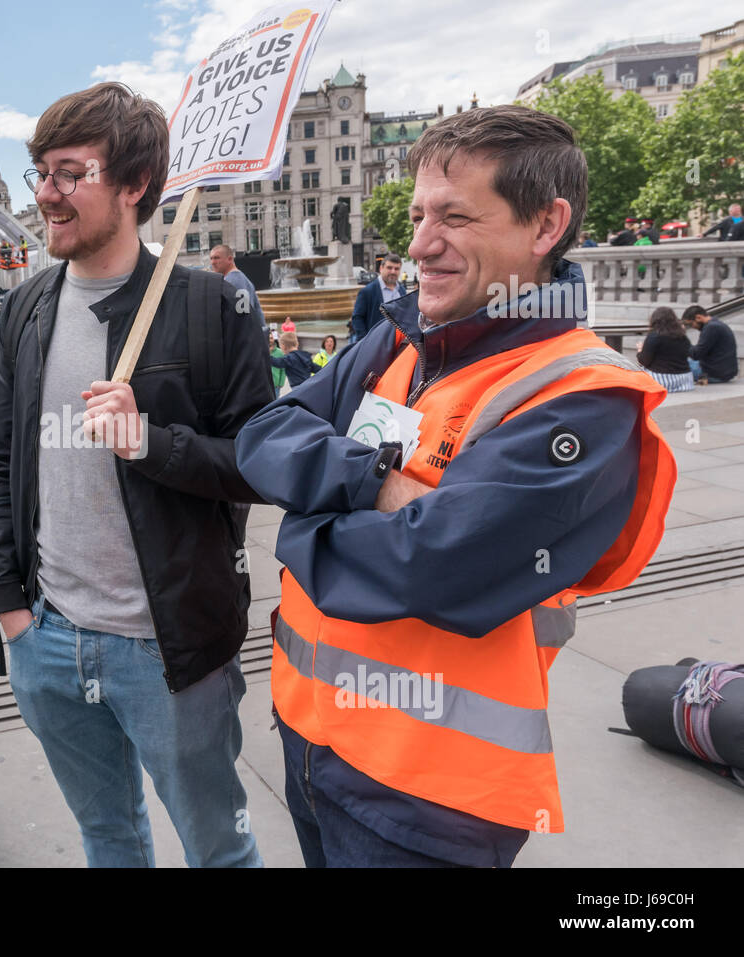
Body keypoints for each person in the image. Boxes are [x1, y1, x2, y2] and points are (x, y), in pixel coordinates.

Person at [236, 104, 675, 868]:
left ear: (545, 227)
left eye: (455, 216)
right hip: (309, 739)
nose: (418, 245)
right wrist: (374, 481)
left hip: (429, 802)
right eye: (416, 215)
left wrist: (299, 521)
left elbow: (434, 563)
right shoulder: (399, 337)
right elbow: (262, 437)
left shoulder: (588, 395)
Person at [0, 81, 272, 868]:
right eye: (40, 171)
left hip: (168, 649)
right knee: (108, 834)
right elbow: (1, 452)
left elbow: (262, 465)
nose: (46, 193)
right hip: (48, 636)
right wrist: (10, 605)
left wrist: (152, 440)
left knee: (219, 845)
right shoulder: (28, 305)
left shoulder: (212, 307)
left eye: (69, 172)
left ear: (136, 185)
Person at [349, 252, 407, 343]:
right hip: (375, 344)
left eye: (396, 269)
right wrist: (365, 340)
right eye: (389, 268)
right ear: (381, 268)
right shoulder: (367, 291)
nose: (393, 271)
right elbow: (357, 318)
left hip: (398, 343)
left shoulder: (402, 291)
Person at [636, 307, 694, 393]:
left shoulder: (654, 336)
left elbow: (644, 361)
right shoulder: (683, 336)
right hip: (685, 380)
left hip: (661, 379)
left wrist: (640, 350)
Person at [209, 243, 267, 329]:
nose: (213, 262)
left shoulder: (234, 281)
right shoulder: (238, 279)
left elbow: (242, 318)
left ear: (230, 259)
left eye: (217, 258)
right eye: (211, 258)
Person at [684, 304, 738, 384]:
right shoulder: (717, 324)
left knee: (673, 365)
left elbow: (696, 354)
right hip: (723, 372)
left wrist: (682, 340)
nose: (692, 327)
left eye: (691, 324)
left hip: (714, 374)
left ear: (698, 317)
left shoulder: (711, 328)